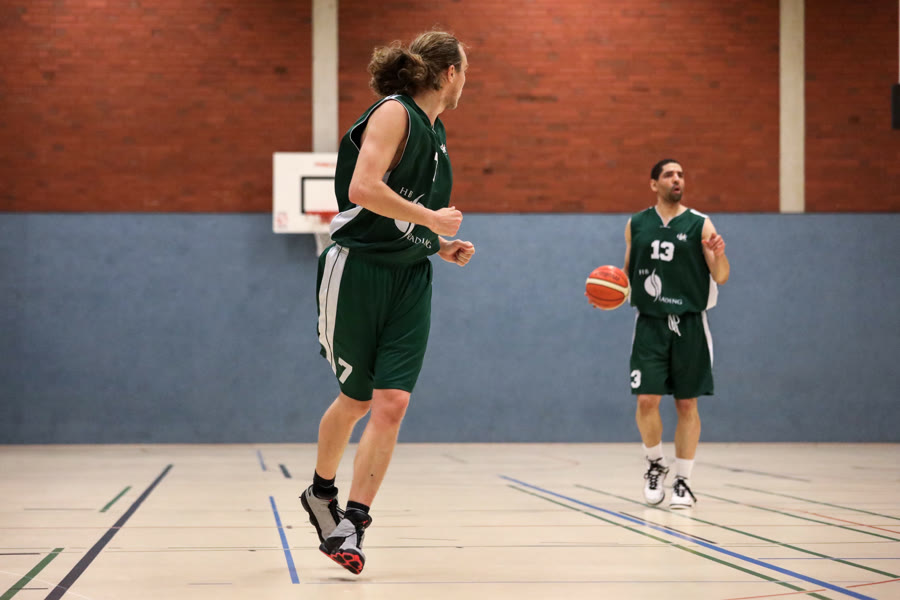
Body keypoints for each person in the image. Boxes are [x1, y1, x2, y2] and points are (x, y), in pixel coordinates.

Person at [300, 31, 474, 575]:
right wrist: (432, 220)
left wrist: (436, 243)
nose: (467, 82)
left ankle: (353, 520)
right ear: (449, 73)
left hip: (411, 277)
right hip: (358, 271)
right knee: (355, 400)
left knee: (392, 402)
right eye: (466, 72)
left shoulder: (437, 133)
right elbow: (363, 189)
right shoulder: (395, 113)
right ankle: (320, 493)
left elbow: (404, 213)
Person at [617, 159, 729, 508]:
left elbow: (721, 276)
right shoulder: (637, 223)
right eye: (669, 174)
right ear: (654, 184)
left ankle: (683, 480)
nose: (677, 179)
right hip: (650, 322)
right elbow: (625, 275)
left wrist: (718, 256)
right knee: (646, 400)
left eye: (681, 174)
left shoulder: (700, 223)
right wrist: (607, 294)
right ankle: (655, 464)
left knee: (686, 403)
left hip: (689, 323)